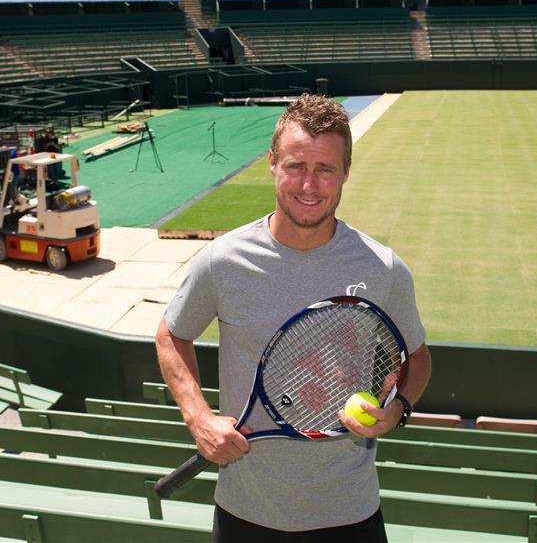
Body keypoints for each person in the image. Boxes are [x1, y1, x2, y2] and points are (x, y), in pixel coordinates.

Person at [156, 94, 433, 541]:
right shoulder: (222, 261)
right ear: (272, 163)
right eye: (296, 166)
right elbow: (171, 334)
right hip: (246, 512)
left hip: (350, 513)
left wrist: (397, 407)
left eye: (325, 169)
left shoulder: (383, 269)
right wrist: (199, 417)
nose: (309, 185)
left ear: (345, 171)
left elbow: (417, 359)